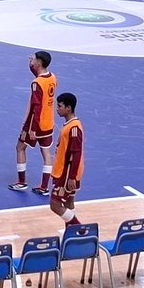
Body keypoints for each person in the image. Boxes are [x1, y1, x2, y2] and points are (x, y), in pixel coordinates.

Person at [12, 51, 57, 193]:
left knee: (20, 148)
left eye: (35, 60)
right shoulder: (52, 78)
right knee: (46, 153)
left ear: (39, 63)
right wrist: (31, 66)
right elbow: (40, 80)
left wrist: (32, 128)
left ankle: (21, 182)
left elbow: (37, 107)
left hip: (35, 123)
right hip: (48, 123)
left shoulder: (36, 83)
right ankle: (44, 187)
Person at [45, 92, 85, 223]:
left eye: (60, 106)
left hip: (66, 173)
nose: (57, 108)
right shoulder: (70, 125)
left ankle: (80, 231)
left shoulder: (74, 128)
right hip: (66, 171)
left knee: (55, 205)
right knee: (69, 203)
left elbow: (76, 153)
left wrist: (72, 176)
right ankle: (72, 237)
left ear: (68, 108)